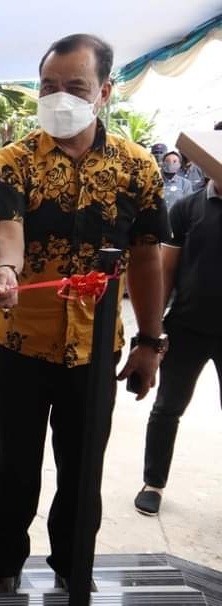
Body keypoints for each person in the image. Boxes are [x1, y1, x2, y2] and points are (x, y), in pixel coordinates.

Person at [0, 34, 168, 595]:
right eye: (48, 87)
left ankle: (72, 571)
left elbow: (148, 257)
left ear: (104, 92)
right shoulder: (14, 161)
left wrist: (150, 342)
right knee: (13, 465)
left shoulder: (138, 167)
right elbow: (6, 230)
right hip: (20, 341)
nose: (59, 97)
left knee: (83, 470)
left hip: (96, 349)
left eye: (75, 87)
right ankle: (4, 570)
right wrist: (6, 271)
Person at [134, 176, 220, 515]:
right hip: (188, 326)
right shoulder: (188, 207)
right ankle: (153, 482)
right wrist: (153, 332)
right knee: (168, 407)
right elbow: (165, 269)